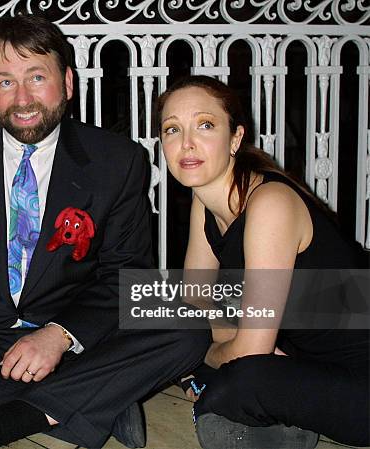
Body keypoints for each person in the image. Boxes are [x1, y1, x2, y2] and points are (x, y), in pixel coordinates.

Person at [0, 13, 210, 449]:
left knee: (185, 328)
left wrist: (58, 335)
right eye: (5, 81)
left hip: (74, 335)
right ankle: (95, 399)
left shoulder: (116, 160)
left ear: (66, 83)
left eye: (36, 77)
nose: (22, 98)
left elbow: (126, 276)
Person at [157, 75, 369, 448]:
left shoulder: (270, 203)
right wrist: (216, 346)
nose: (186, 143)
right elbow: (196, 302)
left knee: (237, 380)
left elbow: (251, 349)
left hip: (361, 380)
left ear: (236, 138)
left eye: (205, 125)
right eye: (172, 130)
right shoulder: (204, 200)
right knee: (150, 316)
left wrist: (202, 353)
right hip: (306, 363)